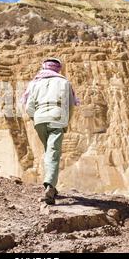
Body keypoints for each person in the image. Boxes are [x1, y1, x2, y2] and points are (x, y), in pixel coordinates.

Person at [22, 57, 80, 205]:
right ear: (58, 68)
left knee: (49, 151)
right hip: (57, 118)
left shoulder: (35, 82)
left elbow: (29, 105)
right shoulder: (64, 82)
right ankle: (50, 186)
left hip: (40, 119)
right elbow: (70, 105)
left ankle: (51, 185)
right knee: (53, 152)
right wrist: (66, 121)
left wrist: (35, 118)